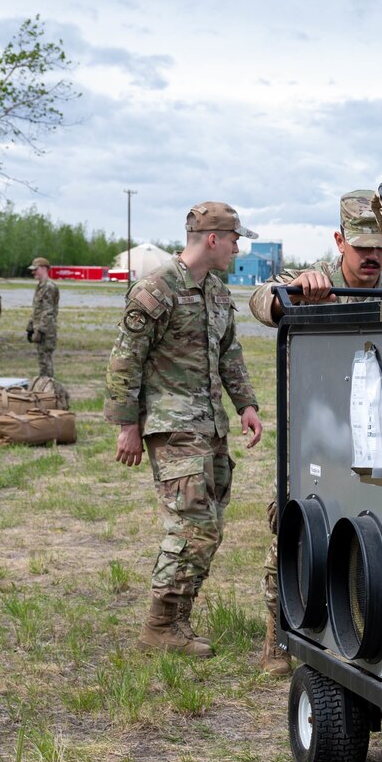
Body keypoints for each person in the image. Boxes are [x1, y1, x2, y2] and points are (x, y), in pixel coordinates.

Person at [105, 201, 264, 657]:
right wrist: (126, 426)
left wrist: (246, 405)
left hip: (209, 426)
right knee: (192, 528)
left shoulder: (216, 291)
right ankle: (159, 627)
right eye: (234, 239)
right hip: (172, 427)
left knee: (209, 528)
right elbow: (125, 361)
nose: (237, 248)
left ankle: (177, 622)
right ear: (213, 239)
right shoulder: (156, 290)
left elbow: (229, 353)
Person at [247, 190, 382, 671]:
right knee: (293, 528)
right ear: (339, 241)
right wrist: (294, 294)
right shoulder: (318, 278)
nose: (373, 257)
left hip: (374, 431)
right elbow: (260, 301)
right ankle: (277, 632)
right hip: (317, 432)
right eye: (362, 247)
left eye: (380, 247)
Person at [26, 256, 60, 379]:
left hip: (46, 331)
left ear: (44, 268)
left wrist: (40, 330)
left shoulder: (49, 287)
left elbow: (48, 311)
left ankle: (48, 385)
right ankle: (44, 384)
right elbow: (37, 310)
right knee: (42, 361)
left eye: (35, 269)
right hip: (40, 328)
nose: (33, 272)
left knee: (45, 361)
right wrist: (30, 327)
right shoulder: (41, 286)